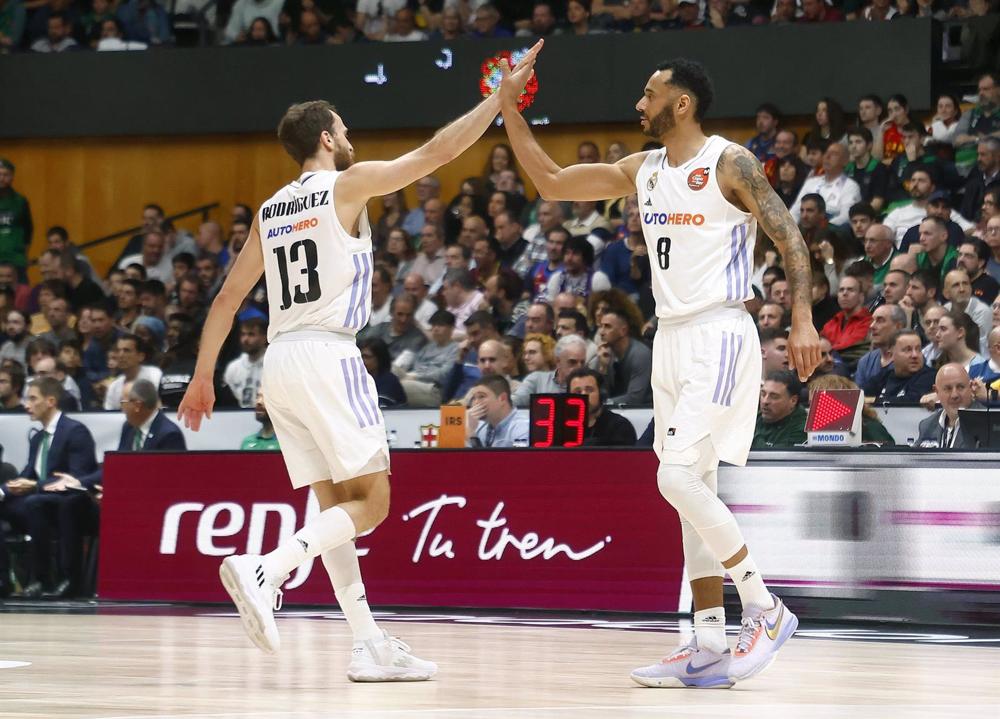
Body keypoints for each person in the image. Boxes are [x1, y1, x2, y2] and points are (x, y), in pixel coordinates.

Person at [176, 44, 541, 677]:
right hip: (327, 354)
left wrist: (203, 374)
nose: (350, 136)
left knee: (332, 507)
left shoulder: (271, 209)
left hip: (279, 365)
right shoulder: (346, 184)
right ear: (326, 136)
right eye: (343, 128)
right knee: (371, 503)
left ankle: (369, 644)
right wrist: (499, 99)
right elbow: (436, 155)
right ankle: (268, 569)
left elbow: (228, 298)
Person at [498, 56, 821, 686]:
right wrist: (509, 108)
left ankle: (764, 606)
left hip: (720, 330)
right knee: (689, 491)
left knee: (675, 477)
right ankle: (705, 640)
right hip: (671, 336)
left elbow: (790, 238)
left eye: (649, 94)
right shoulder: (642, 170)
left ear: (681, 105)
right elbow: (553, 181)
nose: (638, 104)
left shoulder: (731, 163)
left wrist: (803, 317)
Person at [4, 377, 97, 598]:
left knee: (35, 503)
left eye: (33, 398)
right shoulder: (38, 439)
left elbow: (77, 478)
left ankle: (45, 579)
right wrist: (4, 491)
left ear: (51, 401)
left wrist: (36, 486)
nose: (27, 404)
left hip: (69, 502)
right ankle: (5, 580)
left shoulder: (75, 431)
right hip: (40, 500)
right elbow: (27, 474)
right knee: (8, 505)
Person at [807, 374, 895, 445]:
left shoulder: (872, 429)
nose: (812, 410)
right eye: (811, 404)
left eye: (818, 403)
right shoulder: (812, 433)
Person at [915, 364, 984, 448]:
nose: (954, 395)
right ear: (936, 391)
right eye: (948, 388)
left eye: (960, 387)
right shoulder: (927, 426)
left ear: (970, 388)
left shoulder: (988, 424)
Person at [567, 367, 637, 446]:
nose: (583, 395)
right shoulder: (562, 427)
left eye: (589, 390)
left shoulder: (620, 426)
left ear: (601, 393)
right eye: (577, 392)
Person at [511, 334, 587, 406]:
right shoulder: (537, 380)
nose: (579, 367)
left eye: (582, 362)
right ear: (558, 361)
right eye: (572, 362)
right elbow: (514, 402)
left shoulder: (589, 384)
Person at [862, 330, 935, 403]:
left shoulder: (930, 376)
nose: (915, 355)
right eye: (908, 350)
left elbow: (912, 401)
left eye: (918, 349)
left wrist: (872, 400)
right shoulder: (882, 378)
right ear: (891, 355)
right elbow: (861, 396)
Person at [463, 375, 529, 448]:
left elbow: (520, 458)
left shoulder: (523, 427)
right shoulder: (477, 426)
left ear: (502, 399)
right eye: (473, 398)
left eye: (481, 396)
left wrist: (472, 436)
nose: (475, 403)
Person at [752, 370, 806, 449]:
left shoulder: (802, 429)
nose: (765, 401)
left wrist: (749, 434)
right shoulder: (754, 419)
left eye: (774, 396)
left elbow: (772, 459)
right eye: (763, 394)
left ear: (793, 401)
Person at [223, 317, 267, 408]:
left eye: (251, 334)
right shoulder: (233, 367)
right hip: (239, 416)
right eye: (243, 334)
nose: (245, 339)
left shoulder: (272, 365)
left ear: (264, 338)